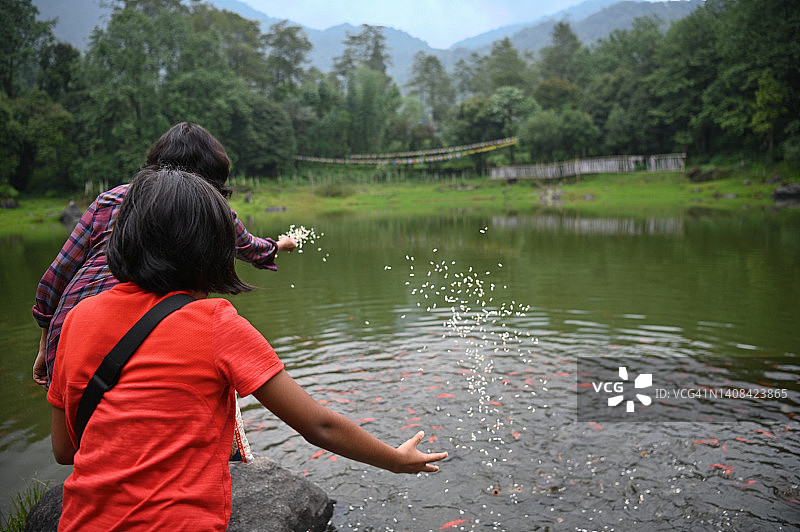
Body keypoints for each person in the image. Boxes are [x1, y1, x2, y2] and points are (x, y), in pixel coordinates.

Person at [48, 167, 448, 530]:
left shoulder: (79, 318)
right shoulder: (214, 322)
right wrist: (395, 460)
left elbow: (65, 451)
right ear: (213, 251)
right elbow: (318, 426)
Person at [32, 122, 296, 388]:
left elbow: (57, 275)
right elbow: (251, 247)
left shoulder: (111, 199)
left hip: (66, 339)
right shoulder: (205, 208)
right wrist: (281, 245)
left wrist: (45, 345)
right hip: (131, 345)